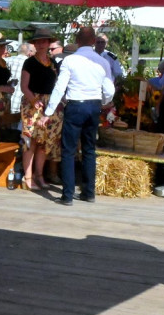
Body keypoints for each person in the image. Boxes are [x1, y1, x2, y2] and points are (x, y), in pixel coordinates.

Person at [40, 27, 115, 206]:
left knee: (68, 150)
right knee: (89, 149)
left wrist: (48, 112)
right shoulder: (102, 61)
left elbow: (59, 88)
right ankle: (88, 192)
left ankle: (67, 195)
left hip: (75, 105)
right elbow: (110, 89)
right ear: (93, 41)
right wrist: (103, 101)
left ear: (77, 41)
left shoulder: (70, 60)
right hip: (94, 105)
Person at [19, 29, 61, 190]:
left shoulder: (53, 63)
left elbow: (57, 84)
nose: (41, 44)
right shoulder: (29, 62)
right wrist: (34, 100)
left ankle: (39, 175)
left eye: (44, 41)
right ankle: (27, 177)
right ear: (34, 44)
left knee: (44, 141)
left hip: (49, 104)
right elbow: (24, 86)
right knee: (30, 140)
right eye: (38, 41)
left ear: (49, 43)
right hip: (32, 103)